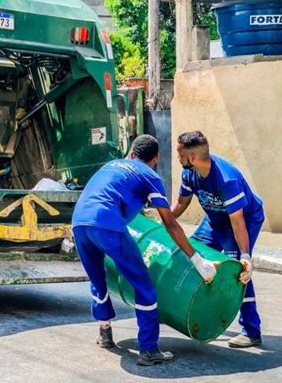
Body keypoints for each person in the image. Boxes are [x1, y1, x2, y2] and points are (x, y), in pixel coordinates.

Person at [72, 134, 216, 366]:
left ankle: (105, 333)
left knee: (98, 278)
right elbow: (169, 222)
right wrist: (196, 258)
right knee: (144, 286)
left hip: (79, 223)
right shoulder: (150, 176)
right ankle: (149, 350)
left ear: (131, 153)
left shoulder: (111, 165)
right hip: (107, 224)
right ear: (156, 158)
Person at [171, 131, 264, 348]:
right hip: (215, 219)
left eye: (179, 153)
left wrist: (245, 256)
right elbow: (181, 204)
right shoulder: (189, 173)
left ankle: (251, 331)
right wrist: (162, 221)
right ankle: (203, 312)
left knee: (237, 272)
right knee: (193, 255)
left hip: (243, 219)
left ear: (192, 157)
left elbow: (238, 221)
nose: (177, 157)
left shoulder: (226, 179)